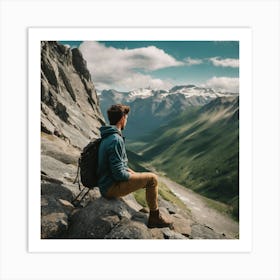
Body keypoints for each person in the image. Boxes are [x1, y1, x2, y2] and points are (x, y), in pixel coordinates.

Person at [97, 104, 173, 229]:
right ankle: (154, 218)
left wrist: (132, 173)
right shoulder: (116, 139)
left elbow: (117, 165)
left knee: (143, 176)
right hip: (110, 187)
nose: (126, 120)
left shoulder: (109, 136)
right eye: (126, 117)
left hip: (105, 183)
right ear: (122, 119)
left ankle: (154, 214)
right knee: (152, 179)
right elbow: (118, 174)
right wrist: (132, 175)